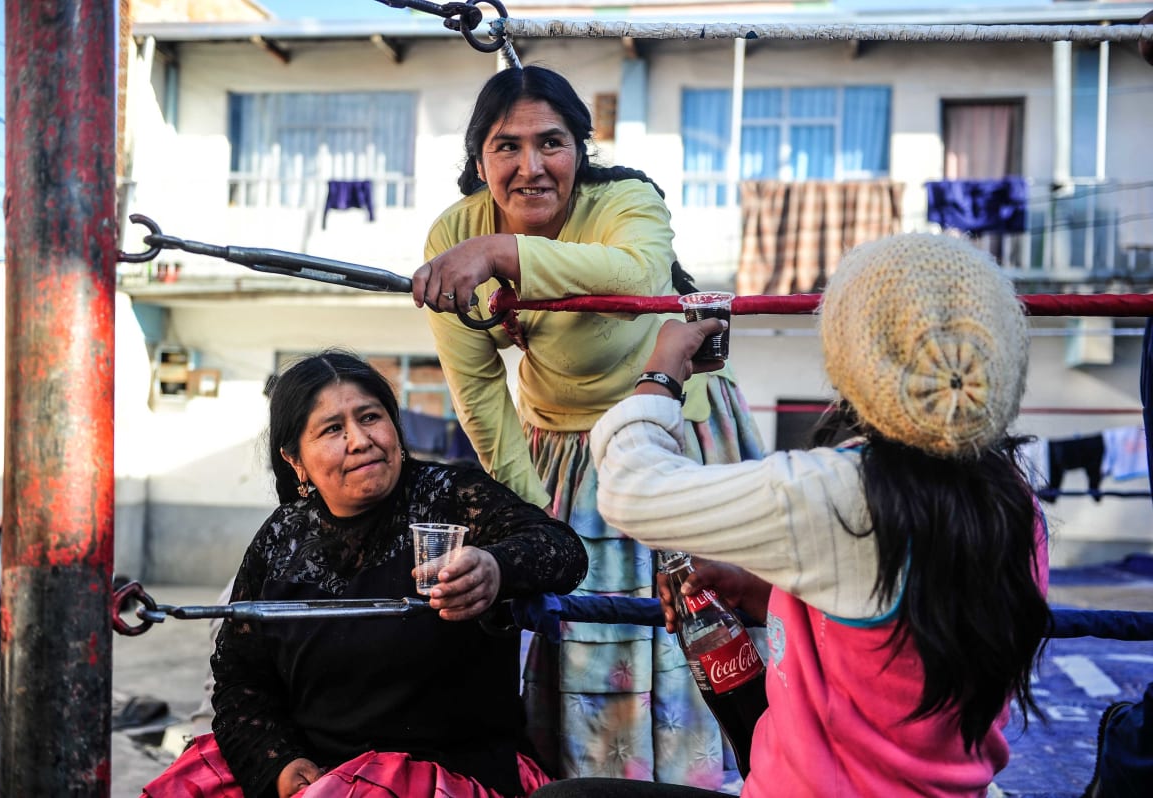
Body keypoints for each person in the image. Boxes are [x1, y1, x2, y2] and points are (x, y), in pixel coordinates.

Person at [553, 232, 1052, 796]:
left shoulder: (841, 490)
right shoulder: (1015, 500)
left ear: (854, 352)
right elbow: (897, 631)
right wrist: (766, 594)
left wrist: (661, 373)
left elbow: (629, 489)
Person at [411, 64, 765, 788]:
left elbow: (638, 275)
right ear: (479, 159)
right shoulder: (455, 232)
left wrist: (502, 253)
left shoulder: (624, 199)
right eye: (506, 147)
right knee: (589, 640)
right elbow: (478, 390)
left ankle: (711, 782)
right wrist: (531, 510)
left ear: (581, 149)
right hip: (566, 459)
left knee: (703, 625)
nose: (531, 167)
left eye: (552, 143)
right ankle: (593, 785)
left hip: (679, 435)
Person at [141, 349, 588, 798]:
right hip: (312, 767)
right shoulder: (282, 539)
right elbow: (241, 680)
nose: (359, 439)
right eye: (333, 429)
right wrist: (277, 762)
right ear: (296, 459)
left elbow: (563, 550)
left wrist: (495, 568)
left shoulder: (450, 497)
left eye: (370, 417)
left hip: (442, 769)